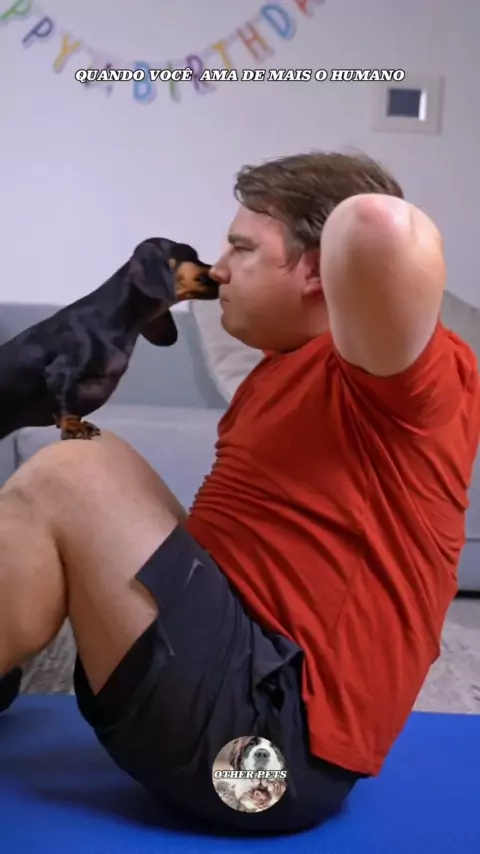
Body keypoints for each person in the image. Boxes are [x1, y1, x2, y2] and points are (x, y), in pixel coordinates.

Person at [0, 151, 478, 835]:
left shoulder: (397, 385)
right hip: (229, 696)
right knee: (86, 455)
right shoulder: (281, 372)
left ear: (316, 269)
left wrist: (335, 216)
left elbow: (382, 227)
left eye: (243, 247)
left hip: (267, 757)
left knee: (68, 474)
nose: (218, 268)